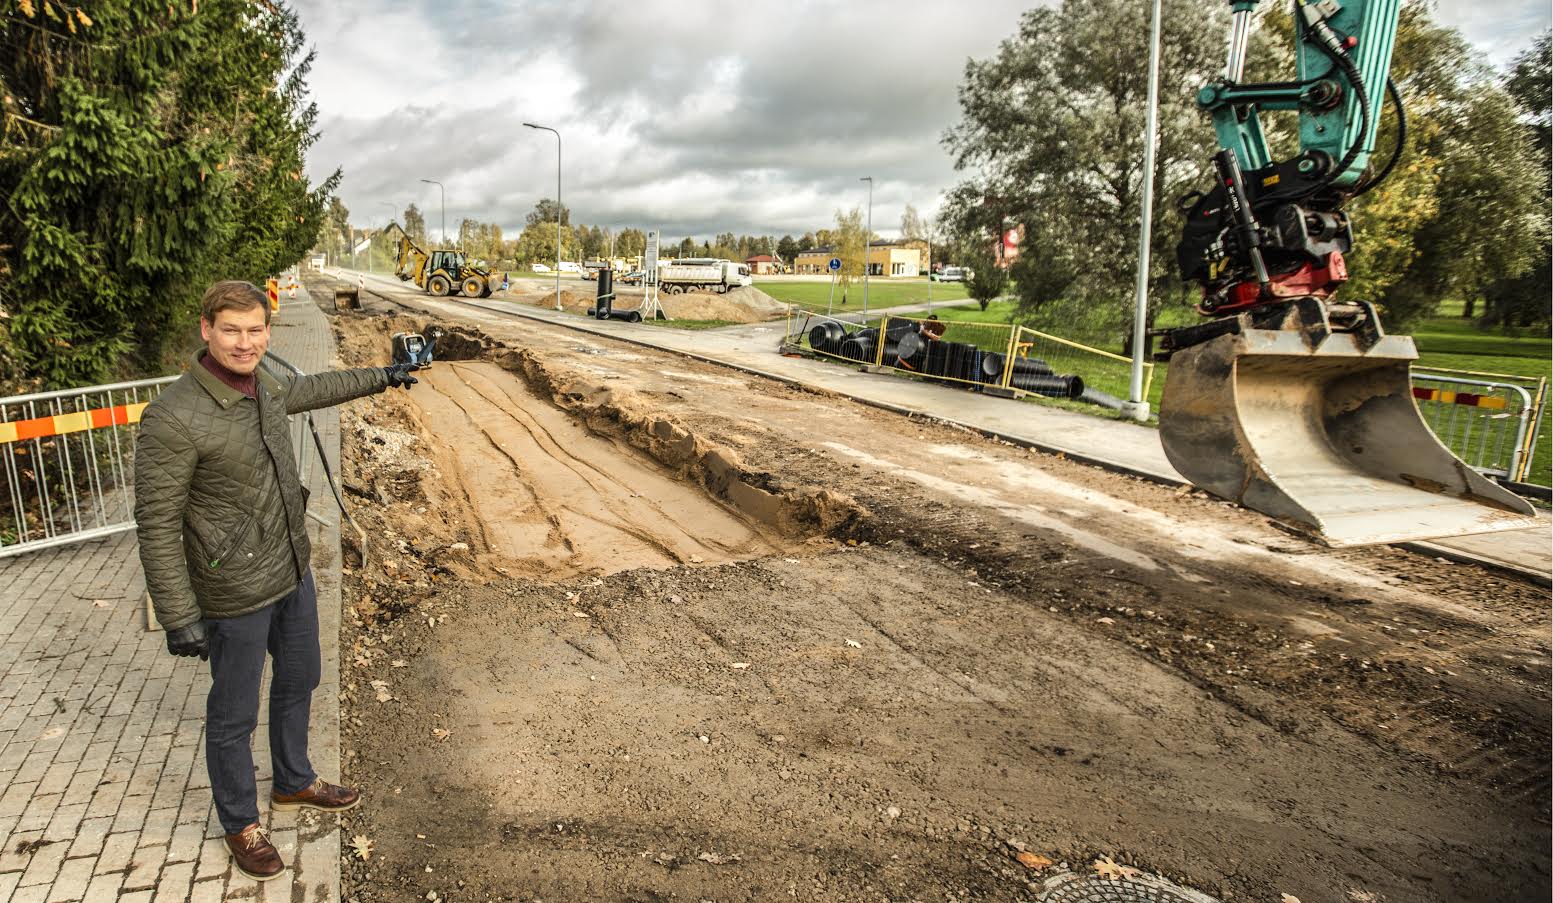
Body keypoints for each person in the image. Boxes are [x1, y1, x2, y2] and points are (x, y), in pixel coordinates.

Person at [133, 280, 421, 881]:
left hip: (291, 569)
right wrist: (178, 612)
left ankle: (293, 781)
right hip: (233, 589)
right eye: (232, 330)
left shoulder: (265, 383)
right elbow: (156, 523)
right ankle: (240, 822)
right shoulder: (173, 416)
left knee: (302, 677)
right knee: (233, 715)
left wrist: (386, 375)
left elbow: (316, 388)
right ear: (206, 330)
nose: (245, 342)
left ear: (269, 330)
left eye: (256, 329)